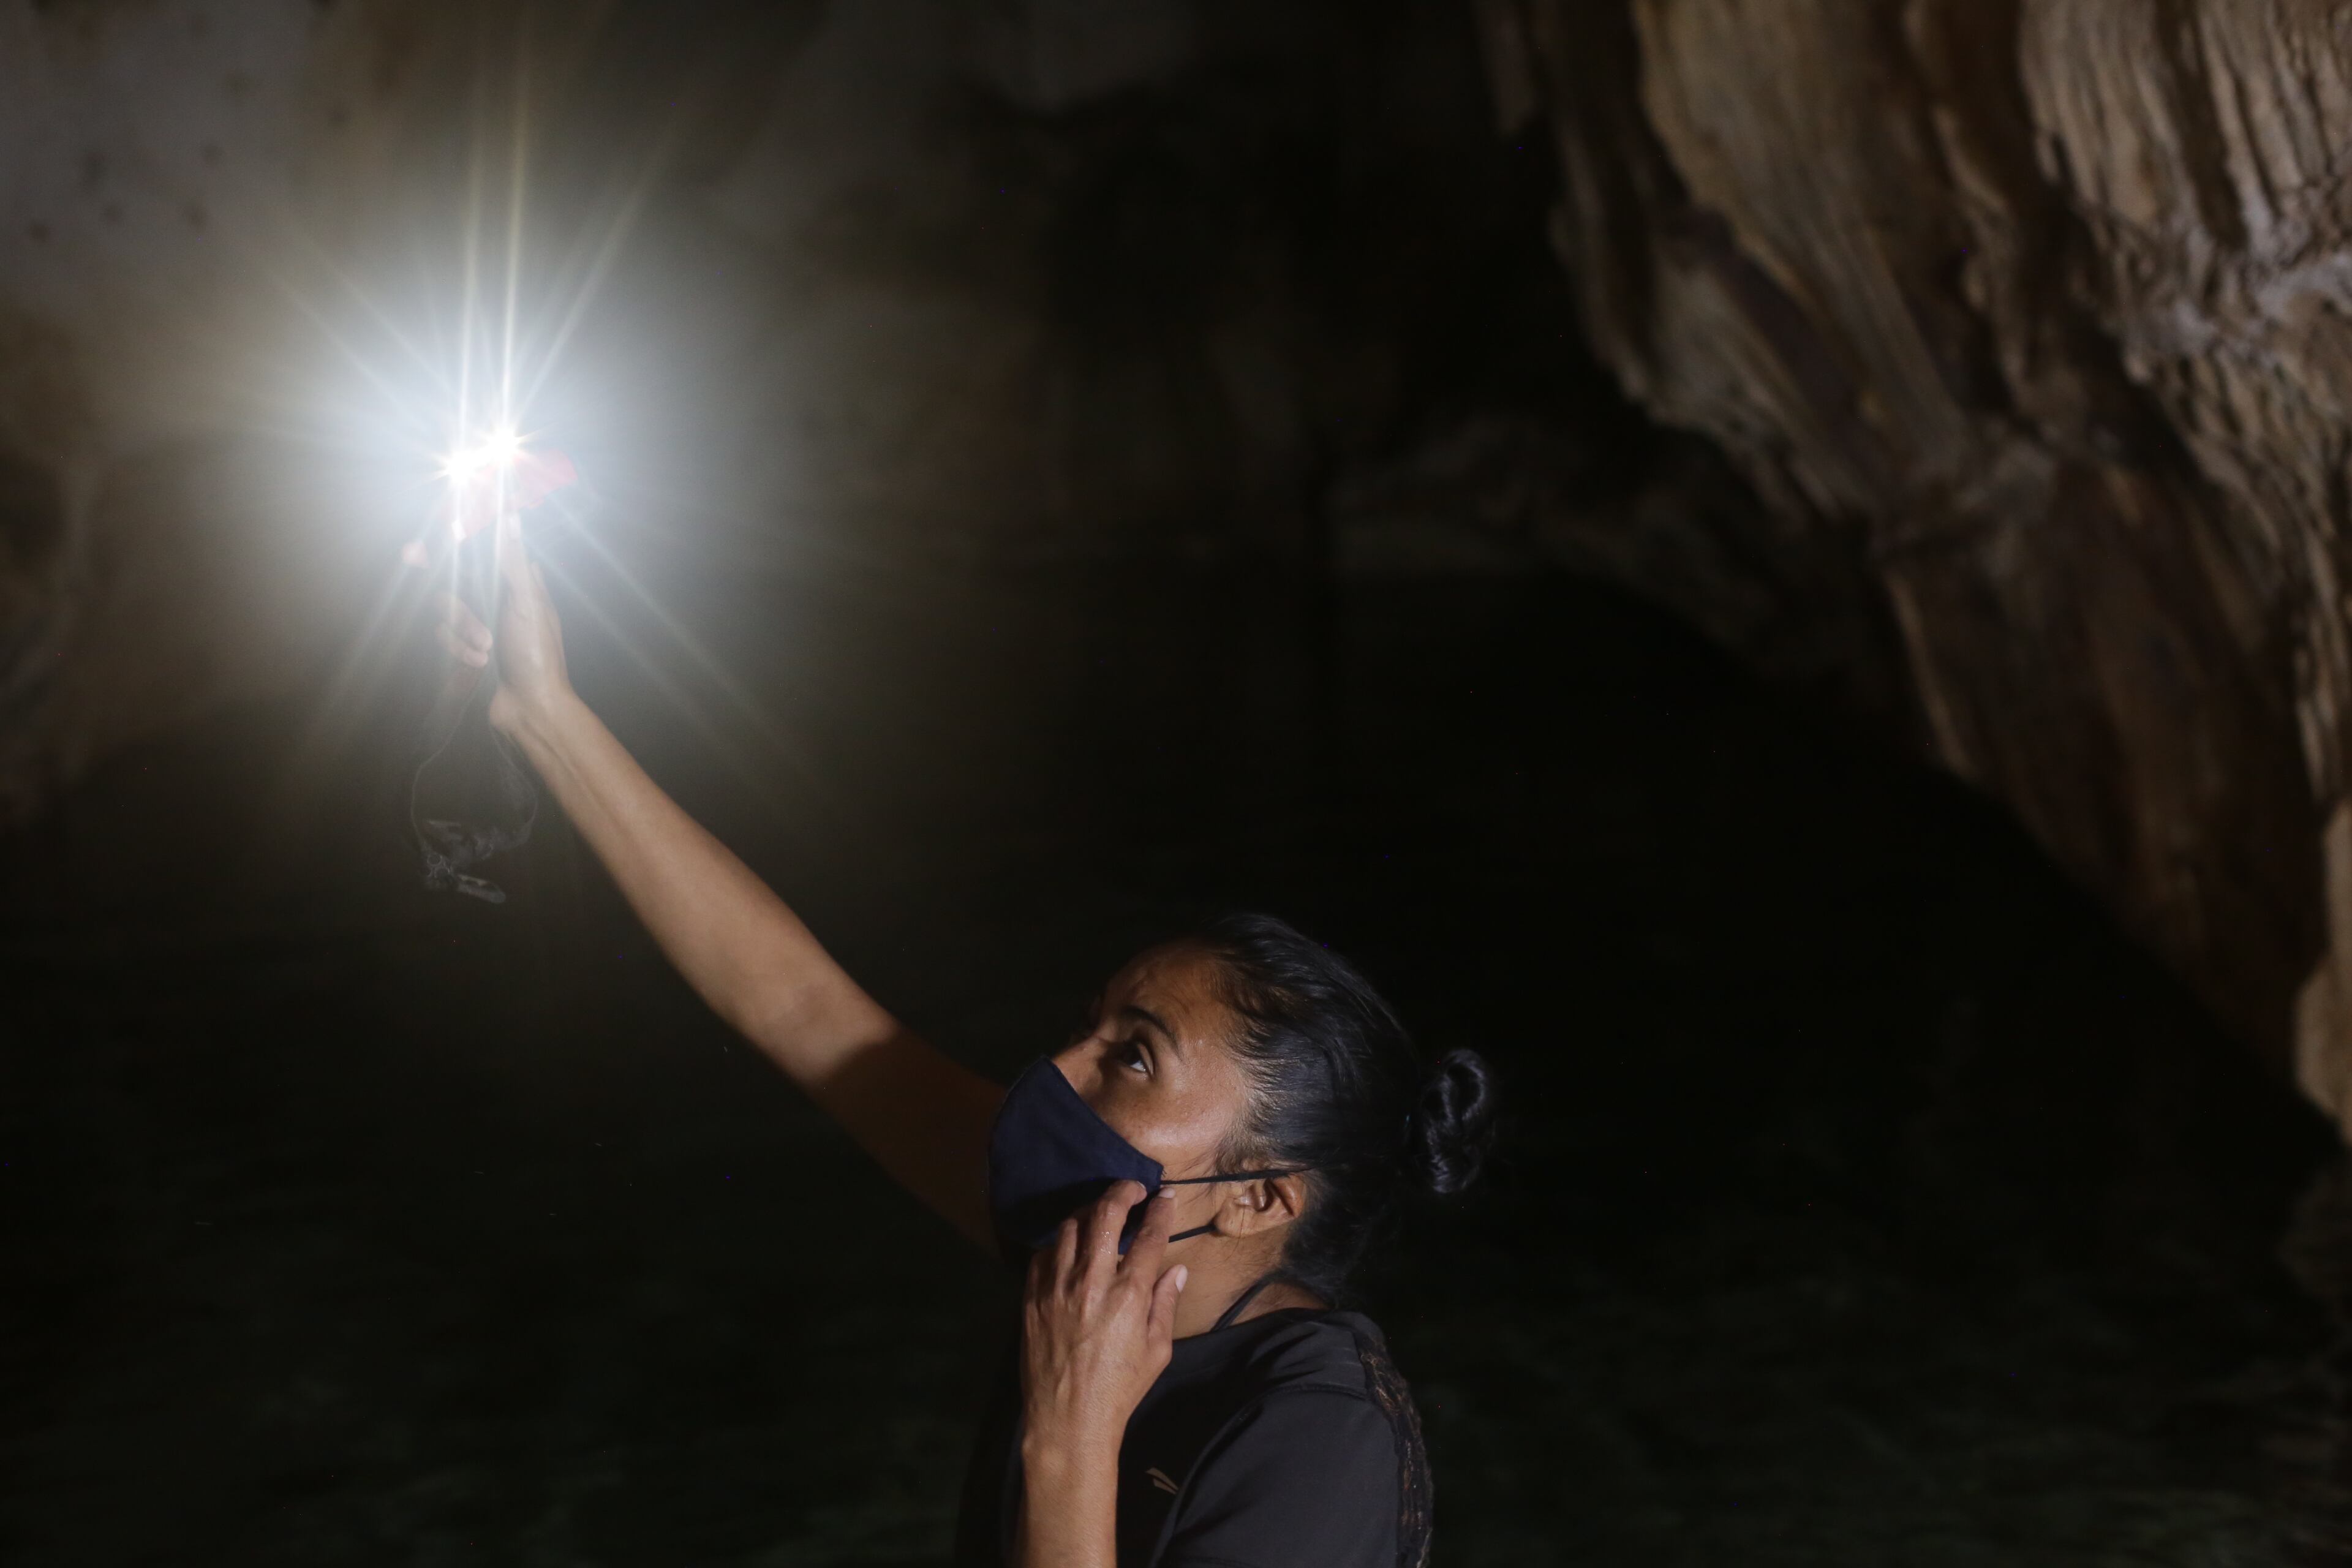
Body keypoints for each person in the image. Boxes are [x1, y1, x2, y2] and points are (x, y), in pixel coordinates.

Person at [433, 514, 1500, 1566]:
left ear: (1260, 1196)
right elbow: (804, 1011)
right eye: (1091, 1029)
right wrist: (539, 711)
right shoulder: (1088, 1255)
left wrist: (1072, 1431)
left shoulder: (1318, 1435)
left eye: (1134, 1058)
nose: (1055, 1072)